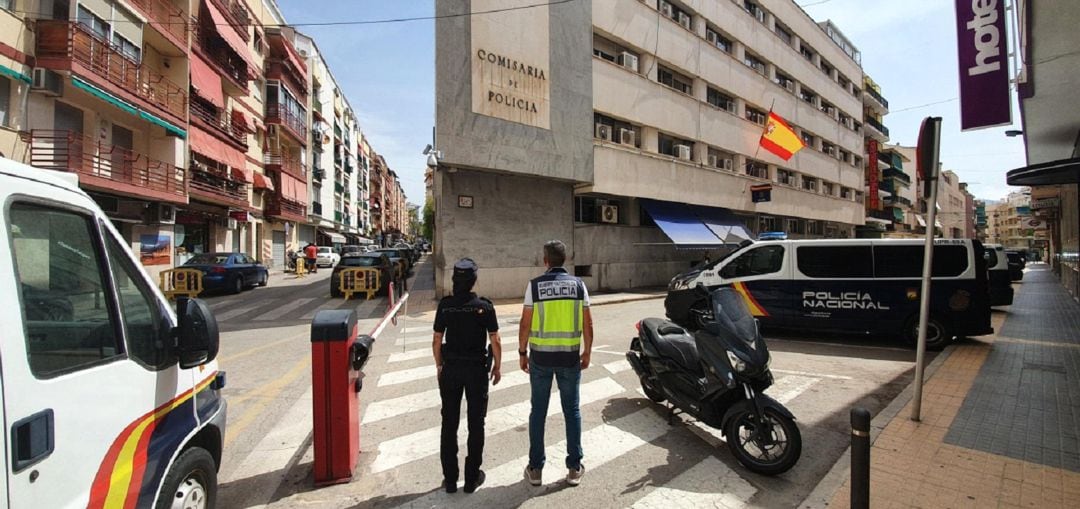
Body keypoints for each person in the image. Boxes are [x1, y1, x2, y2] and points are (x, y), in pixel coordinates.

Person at [519, 240, 593, 487]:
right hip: (569, 358)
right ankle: (574, 468)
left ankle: (536, 469)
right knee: (572, 412)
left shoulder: (535, 286)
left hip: (540, 358)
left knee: (537, 412)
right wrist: (587, 352)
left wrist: (522, 352)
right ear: (566, 259)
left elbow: (525, 323)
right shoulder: (579, 285)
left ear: (546, 260)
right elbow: (588, 323)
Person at [433, 258, 502, 494]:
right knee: (476, 424)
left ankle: (450, 480)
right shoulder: (484, 306)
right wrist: (498, 366)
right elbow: (495, 339)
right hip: (476, 371)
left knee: (449, 423)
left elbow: (436, 339)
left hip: (451, 369)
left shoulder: (446, 305)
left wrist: (439, 365)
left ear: (454, 279)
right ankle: (472, 478)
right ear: (474, 280)